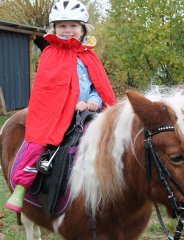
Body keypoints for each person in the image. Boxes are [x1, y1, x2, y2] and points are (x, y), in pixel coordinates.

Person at [6, 0, 116, 213]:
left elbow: (99, 85)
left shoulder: (88, 56)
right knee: (39, 142)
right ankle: (22, 185)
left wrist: (96, 100)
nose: (68, 30)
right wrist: (74, 104)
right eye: (62, 26)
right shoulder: (50, 54)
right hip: (58, 112)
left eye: (73, 25)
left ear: (83, 28)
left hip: (90, 110)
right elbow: (49, 90)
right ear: (54, 29)